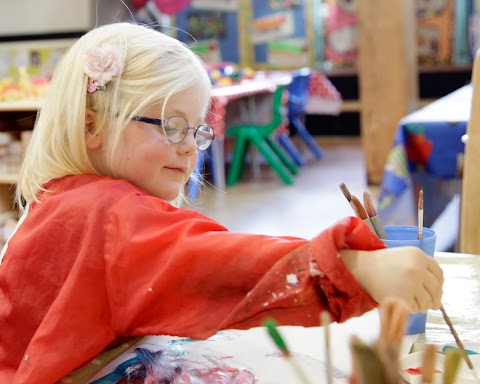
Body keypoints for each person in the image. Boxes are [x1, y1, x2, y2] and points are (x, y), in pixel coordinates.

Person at [0, 22, 444, 383]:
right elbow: (217, 263)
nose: (190, 148)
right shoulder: (107, 213)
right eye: (171, 126)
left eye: (197, 131)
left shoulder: (64, 200)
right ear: (91, 127)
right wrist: (354, 266)